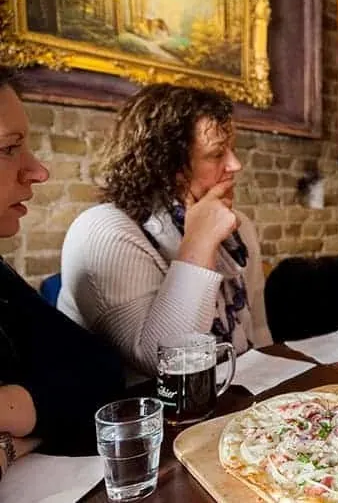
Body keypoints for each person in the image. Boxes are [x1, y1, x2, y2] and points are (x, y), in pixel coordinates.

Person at [58, 83, 273, 382]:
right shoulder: (102, 231)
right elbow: (165, 360)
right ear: (166, 165)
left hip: (231, 403)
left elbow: (259, 332)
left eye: (232, 150)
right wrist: (200, 242)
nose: (235, 165)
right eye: (216, 154)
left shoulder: (239, 228)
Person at [0, 66, 125, 481]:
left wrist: (6, 418)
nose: (37, 171)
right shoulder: (107, 230)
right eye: (8, 148)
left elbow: (102, 371)